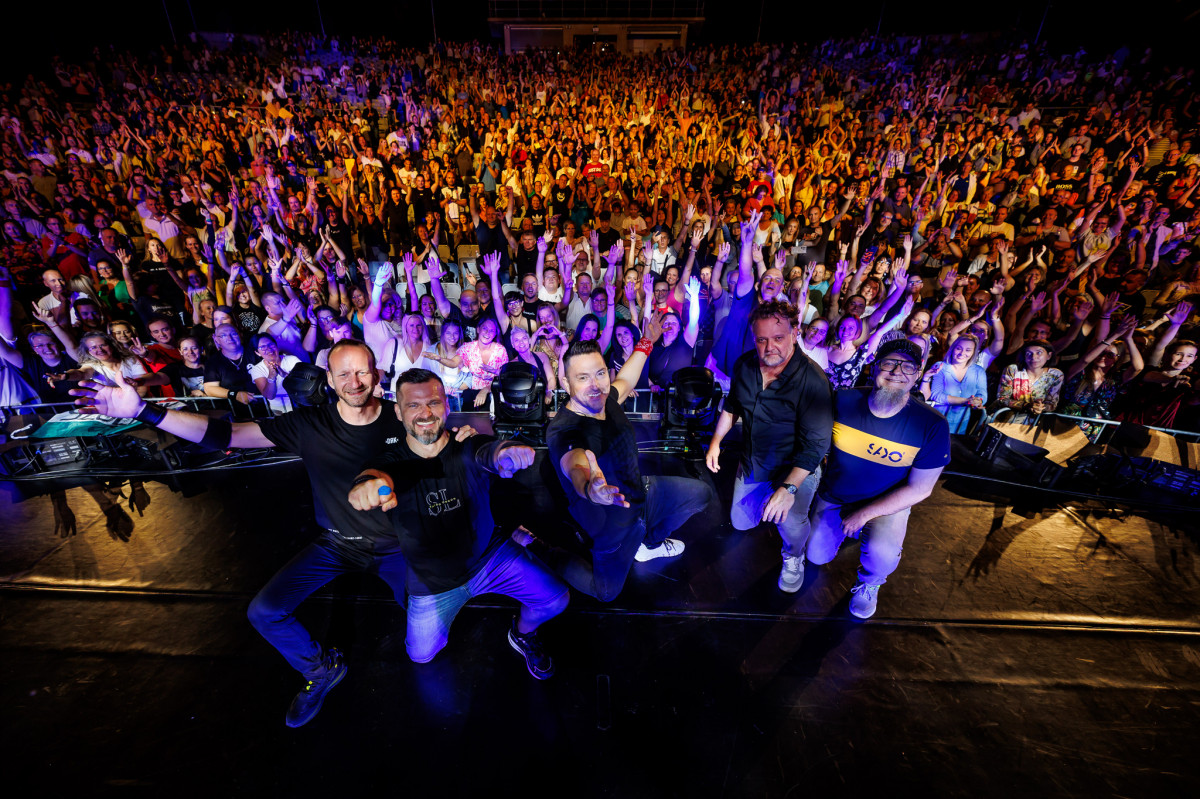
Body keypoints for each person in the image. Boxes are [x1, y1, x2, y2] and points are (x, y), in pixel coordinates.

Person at [70, 339, 477, 727]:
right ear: (330, 379)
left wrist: (465, 441)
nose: (355, 382)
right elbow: (227, 436)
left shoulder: (400, 415)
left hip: (396, 547)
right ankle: (321, 669)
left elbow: (446, 442)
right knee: (264, 611)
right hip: (336, 544)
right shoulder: (308, 424)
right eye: (344, 373)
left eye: (363, 372)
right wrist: (145, 410)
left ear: (378, 373)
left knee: (429, 631)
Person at [347, 369, 569, 678]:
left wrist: (507, 451)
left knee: (555, 600)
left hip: (489, 559)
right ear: (398, 411)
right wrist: (367, 486)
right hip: (434, 582)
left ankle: (522, 634)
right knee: (422, 655)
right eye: (414, 405)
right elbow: (374, 475)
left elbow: (488, 453)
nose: (425, 413)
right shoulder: (391, 462)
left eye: (434, 402)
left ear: (447, 406)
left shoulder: (466, 444)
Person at [545, 315, 716, 601]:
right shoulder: (563, 430)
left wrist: (647, 340)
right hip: (611, 522)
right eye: (582, 378)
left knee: (701, 494)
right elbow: (573, 463)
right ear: (565, 382)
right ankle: (540, 549)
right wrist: (590, 487)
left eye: (599, 373)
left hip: (641, 492)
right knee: (606, 593)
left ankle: (649, 544)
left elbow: (626, 377)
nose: (595, 385)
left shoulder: (606, 399)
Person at [805, 339, 951, 619]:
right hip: (835, 496)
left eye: (908, 366)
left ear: (918, 375)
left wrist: (864, 515)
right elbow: (812, 442)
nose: (897, 371)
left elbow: (920, 489)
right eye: (889, 363)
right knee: (815, 556)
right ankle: (842, 530)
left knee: (881, 554)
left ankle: (869, 583)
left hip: (885, 506)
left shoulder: (932, 425)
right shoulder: (843, 401)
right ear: (874, 368)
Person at [705, 300, 833, 592]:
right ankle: (765, 498)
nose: (769, 347)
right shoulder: (746, 365)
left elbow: (816, 445)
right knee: (740, 524)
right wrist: (716, 442)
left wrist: (788, 490)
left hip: (796, 469)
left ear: (794, 333)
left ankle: (794, 555)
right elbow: (732, 405)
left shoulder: (813, 380)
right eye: (762, 339)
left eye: (778, 338)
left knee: (790, 522)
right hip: (754, 461)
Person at [923, 335, 988, 434]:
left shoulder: (979, 371)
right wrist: (966, 401)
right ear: (953, 348)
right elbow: (937, 395)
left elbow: (982, 394)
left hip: (961, 424)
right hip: (937, 421)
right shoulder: (940, 366)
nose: (962, 353)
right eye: (959, 348)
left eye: (968, 350)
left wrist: (978, 401)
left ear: (973, 352)